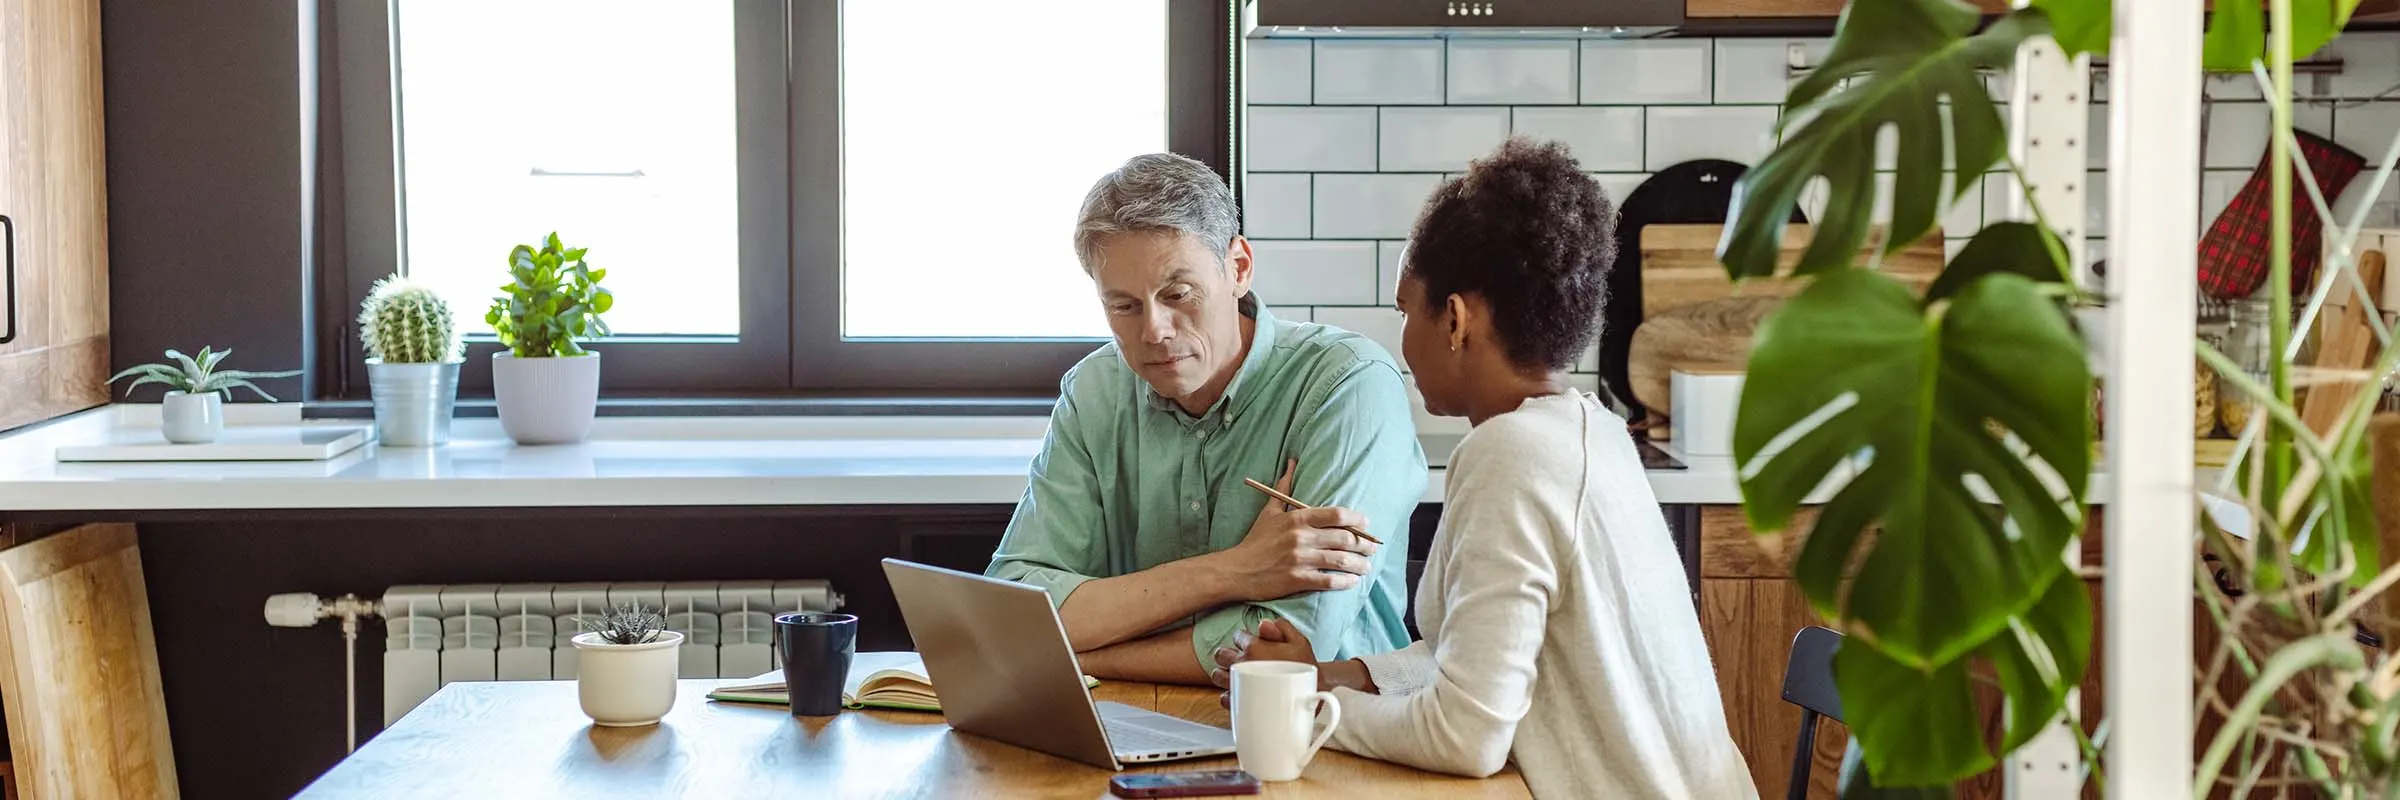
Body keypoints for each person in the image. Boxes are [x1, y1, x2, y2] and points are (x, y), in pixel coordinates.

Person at [1211, 138, 1756, 798]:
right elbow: (1469, 658)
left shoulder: (1511, 456)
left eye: (1405, 308)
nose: (1402, 335)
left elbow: (1464, 736)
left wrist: (1305, 716)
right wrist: (1333, 676)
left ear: (1456, 320)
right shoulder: (1592, 431)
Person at [985, 152, 1427, 685]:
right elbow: (1014, 610)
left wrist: (1080, 655)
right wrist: (1236, 570)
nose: (1154, 331)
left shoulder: (1348, 384)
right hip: (1127, 723)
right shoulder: (1094, 390)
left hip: (1334, 732)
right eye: (1123, 306)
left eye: (1178, 295)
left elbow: (1286, 645)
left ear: (1238, 268)